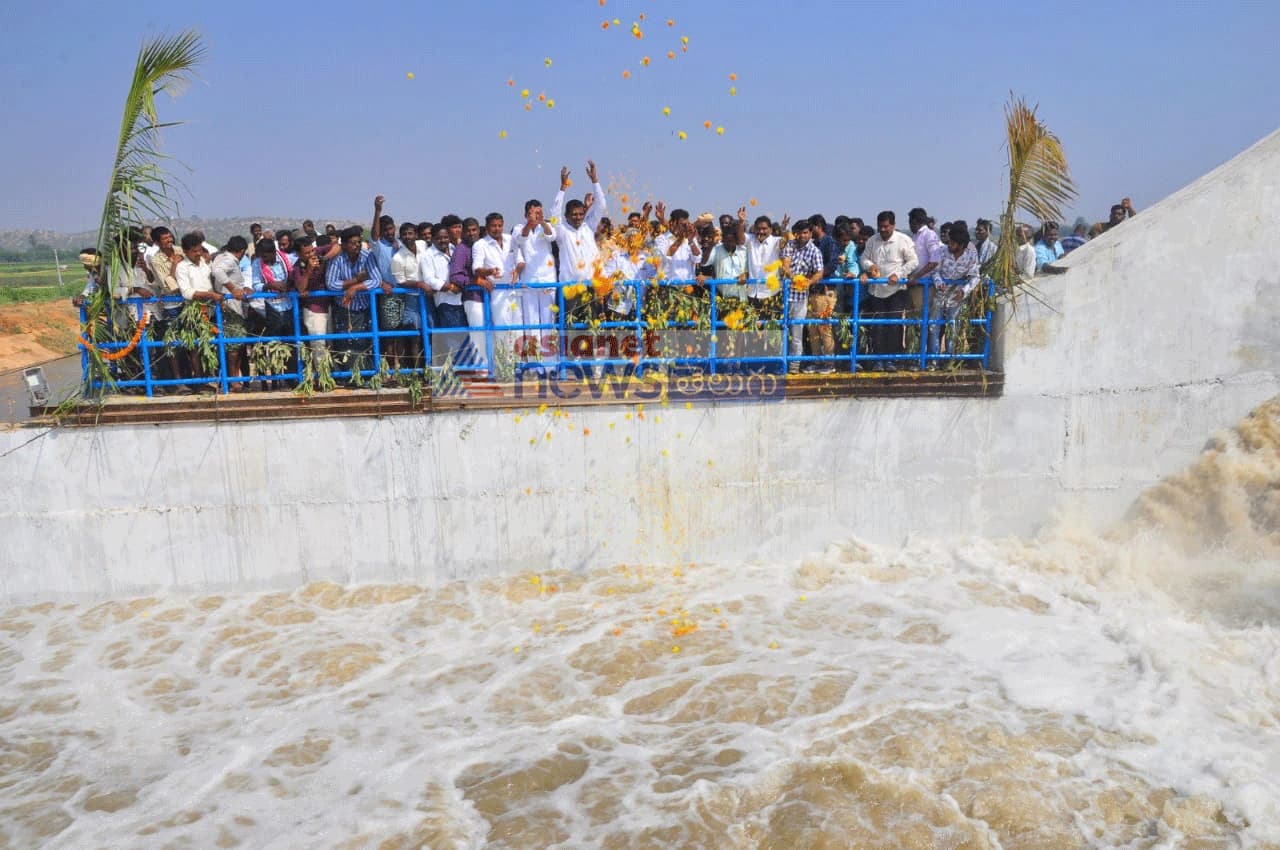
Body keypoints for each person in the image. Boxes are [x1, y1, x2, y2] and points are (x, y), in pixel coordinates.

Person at [859, 210, 919, 370]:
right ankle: (879, 359)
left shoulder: (903, 240)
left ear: (893, 225)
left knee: (894, 325)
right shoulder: (872, 240)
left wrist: (899, 274)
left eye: (886, 226)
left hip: (896, 291)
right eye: (880, 227)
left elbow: (914, 261)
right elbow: (863, 258)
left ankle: (892, 359)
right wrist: (870, 266)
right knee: (878, 326)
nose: (883, 230)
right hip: (876, 291)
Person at [325, 225, 387, 378]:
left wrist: (357, 287)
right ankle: (346, 376)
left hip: (363, 309)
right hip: (343, 310)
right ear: (344, 245)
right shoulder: (337, 259)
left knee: (362, 344)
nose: (357, 245)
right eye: (353, 243)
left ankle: (363, 376)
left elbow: (377, 280)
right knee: (344, 344)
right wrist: (355, 280)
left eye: (359, 242)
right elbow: (331, 284)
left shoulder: (367, 256)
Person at [472, 212, 523, 362]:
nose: (497, 229)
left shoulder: (511, 239)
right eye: (493, 226)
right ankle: (506, 366)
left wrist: (517, 270)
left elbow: (520, 260)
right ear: (487, 227)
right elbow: (476, 268)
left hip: (515, 289)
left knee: (518, 328)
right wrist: (489, 271)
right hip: (498, 292)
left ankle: (518, 364)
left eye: (499, 225)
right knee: (502, 329)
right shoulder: (480, 245)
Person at [927, 222, 981, 362]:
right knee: (934, 327)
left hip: (957, 298)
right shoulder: (941, 252)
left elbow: (975, 277)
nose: (949, 245)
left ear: (961, 245)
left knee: (953, 328)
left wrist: (964, 291)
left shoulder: (971, 257)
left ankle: (950, 360)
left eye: (952, 243)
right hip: (940, 295)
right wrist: (939, 283)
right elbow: (935, 271)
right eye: (949, 242)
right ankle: (934, 360)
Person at [175, 232, 220, 390]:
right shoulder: (182, 267)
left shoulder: (205, 263)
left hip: (210, 310)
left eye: (200, 249)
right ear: (186, 251)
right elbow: (187, 292)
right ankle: (200, 382)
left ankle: (209, 379)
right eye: (195, 251)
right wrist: (210, 294)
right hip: (193, 312)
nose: (198, 253)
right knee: (195, 348)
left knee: (210, 345)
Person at [419, 222, 466, 367]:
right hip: (446, 301)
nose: (443, 240)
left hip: (462, 300)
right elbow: (429, 279)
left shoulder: (454, 249)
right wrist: (449, 287)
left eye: (445, 237)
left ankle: (463, 369)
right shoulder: (428, 255)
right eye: (439, 238)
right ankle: (455, 371)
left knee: (463, 336)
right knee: (452, 338)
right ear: (432, 239)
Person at [516, 199, 557, 357]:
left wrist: (542, 222)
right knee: (531, 323)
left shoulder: (545, 226)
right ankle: (534, 362)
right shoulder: (519, 228)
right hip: (529, 282)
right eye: (534, 213)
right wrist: (530, 223)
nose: (537, 215)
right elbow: (521, 238)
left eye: (540, 212)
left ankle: (550, 361)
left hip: (547, 280)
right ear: (526, 214)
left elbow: (552, 236)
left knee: (548, 321)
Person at [781, 219, 823, 373]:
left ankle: (793, 366)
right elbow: (785, 264)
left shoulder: (814, 251)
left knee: (797, 333)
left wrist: (808, 282)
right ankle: (779, 363)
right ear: (796, 234)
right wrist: (793, 277)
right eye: (800, 233)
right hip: (783, 295)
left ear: (810, 233)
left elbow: (819, 271)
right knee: (780, 330)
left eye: (806, 233)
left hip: (800, 298)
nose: (803, 236)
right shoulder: (790, 245)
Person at [211, 235, 253, 388]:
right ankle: (232, 379)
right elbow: (218, 272)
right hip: (231, 307)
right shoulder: (229, 260)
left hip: (230, 306)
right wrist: (233, 289)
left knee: (234, 345)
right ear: (241, 251)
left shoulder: (220, 257)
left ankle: (232, 378)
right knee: (234, 345)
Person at [291, 235, 335, 374]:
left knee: (332, 343)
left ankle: (334, 374)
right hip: (313, 310)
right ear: (298, 254)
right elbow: (301, 288)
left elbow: (337, 246)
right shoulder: (297, 267)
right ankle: (323, 377)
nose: (311, 254)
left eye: (312, 251)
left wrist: (324, 258)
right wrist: (309, 270)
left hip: (329, 306)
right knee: (318, 344)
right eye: (307, 253)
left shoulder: (318, 252)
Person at [389, 221, 426, 371]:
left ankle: (431, 369)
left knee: (429, 333)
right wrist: (419, 284)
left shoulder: (424, 245)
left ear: (416, 235)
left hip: (429, 296)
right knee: (414, 337)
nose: (407, 236)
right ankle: (415, 372)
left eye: (410, 233)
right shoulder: (398, 257)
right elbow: (401, 281)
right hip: (412, 298)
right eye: (404, 234)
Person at [448, 217, 484, 368]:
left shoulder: (483, 245)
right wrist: (476, 281)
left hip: (489, 297)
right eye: (468, 230)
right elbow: (455, 276)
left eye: (474, 230)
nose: (471, 233)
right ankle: (481, 369)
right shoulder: (462, 250)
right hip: (472, 298)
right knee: (478, 334)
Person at [905, 207, 944, 310]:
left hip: (925, 284)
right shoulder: (915, 236)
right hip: (915, 283)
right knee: (913, 318)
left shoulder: (929, 235)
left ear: (914, 221)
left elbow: (935, 261)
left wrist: (916, 276)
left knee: (923, 317)